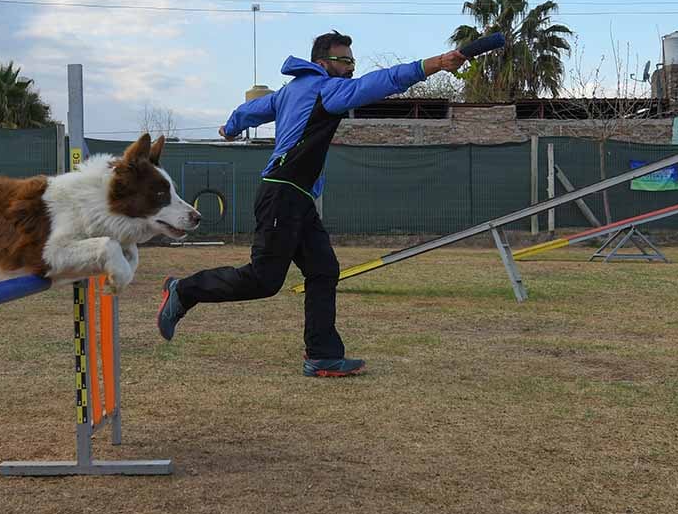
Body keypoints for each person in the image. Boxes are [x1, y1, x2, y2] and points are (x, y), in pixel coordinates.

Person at [157, 30, 466, 377]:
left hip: (296, 196)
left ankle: (322, 354)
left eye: (353, 61)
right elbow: (384, 81)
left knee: (323, 270)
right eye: (344, 61)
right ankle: (183, 290)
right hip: (283, 192)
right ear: (323, 63)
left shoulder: (290, 91)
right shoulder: (326, 89)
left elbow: (251, 109)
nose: (350, 68)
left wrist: (231, 127)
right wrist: (434, 64)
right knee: (264, 280)